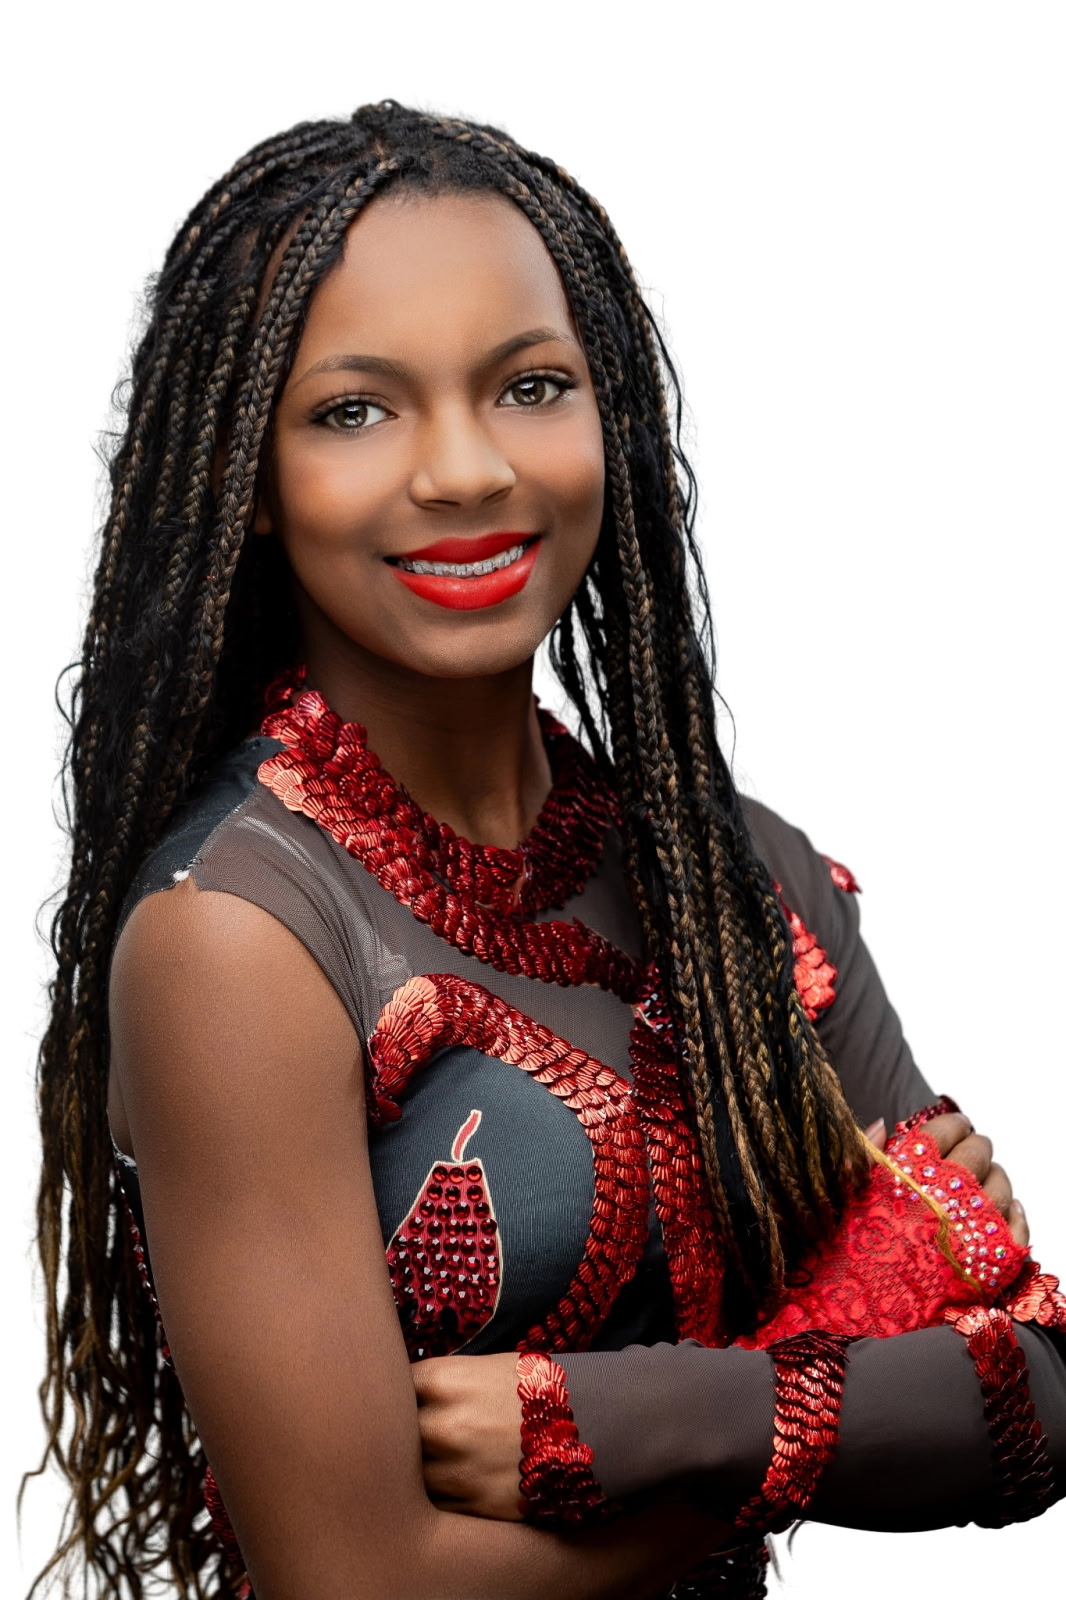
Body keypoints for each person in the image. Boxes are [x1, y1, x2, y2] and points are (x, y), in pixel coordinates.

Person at [34, 101, 1066, 1600]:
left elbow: (1036, 1385)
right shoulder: (239, 937)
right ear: (244, 479)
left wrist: (644, 1422)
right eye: (354, 411)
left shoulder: (741, 884)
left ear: (609, 418)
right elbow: (359, 1578)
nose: (464, 471)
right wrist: (855, 1357)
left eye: (529, 386)